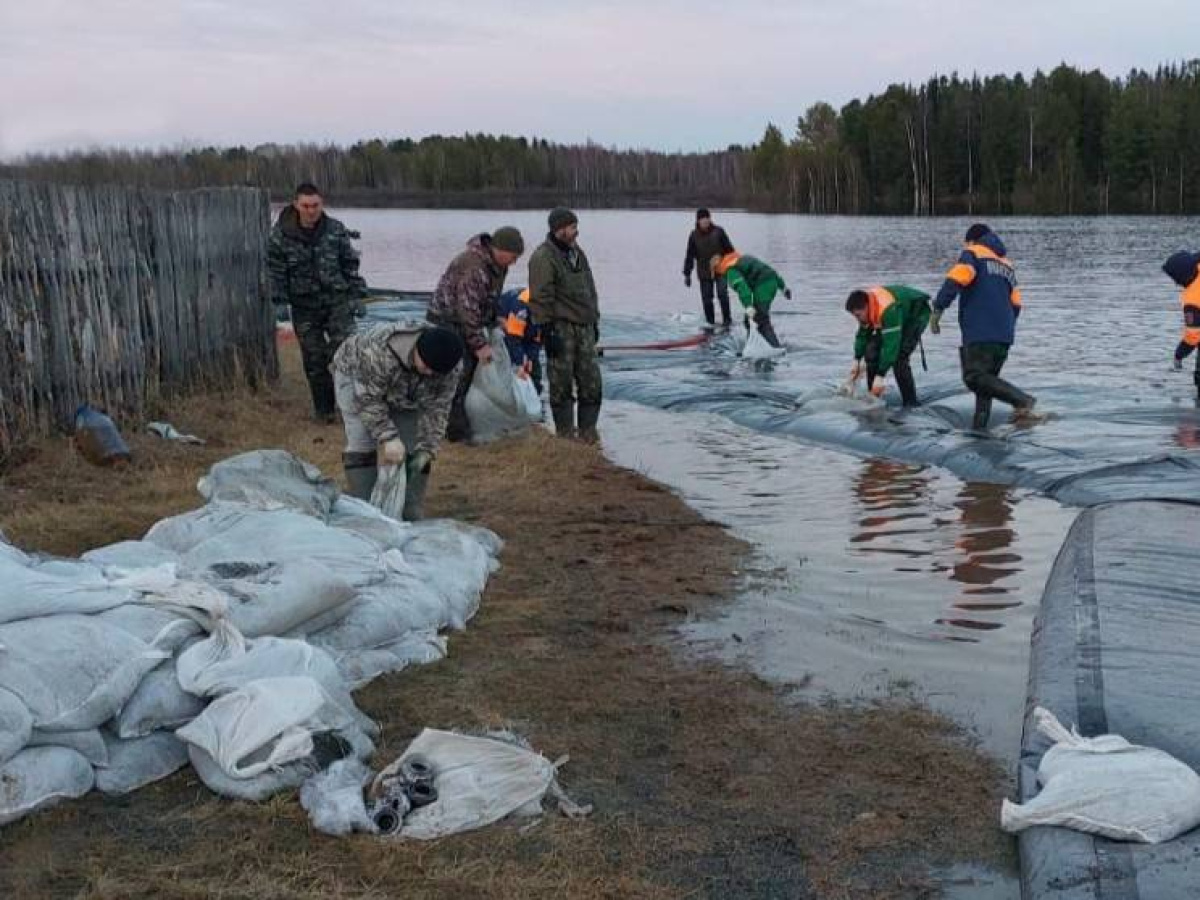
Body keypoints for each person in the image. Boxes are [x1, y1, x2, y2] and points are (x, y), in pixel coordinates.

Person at [331, 322, 464, 521]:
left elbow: (438, 407)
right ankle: (365, 509)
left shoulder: (449, 367)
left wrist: (428, 447)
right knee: (362, 440)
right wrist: (387, 437)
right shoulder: (378, 352)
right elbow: (368, 400)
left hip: (406, 386)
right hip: (354, 374)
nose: (429, 373)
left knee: (412, 446)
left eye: (435, 372)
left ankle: (410, 508)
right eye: (426, 367)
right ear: (417, 349)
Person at [267, 182, 367, 423]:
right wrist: (279, 300)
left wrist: (357, 294)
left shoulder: (335, 229)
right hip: (304, 306)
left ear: (322, 204)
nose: (311, 211)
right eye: (306, 206)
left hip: (337, 301)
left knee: (346, 354)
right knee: (314, 359)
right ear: (296, 204)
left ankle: (350, 409)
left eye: (316, 205)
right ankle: (324, 412)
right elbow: (276, 270)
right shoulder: (280, 235)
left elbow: (349, 264)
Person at [931, 223, 1037, 430]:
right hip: (1003, 335)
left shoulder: (973, 254)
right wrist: (1005, 327)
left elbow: (956, 279)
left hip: (980, 332)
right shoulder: (1006, 264)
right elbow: (1016, 304)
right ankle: (979, 431)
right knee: (985, 388)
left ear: (972, 240)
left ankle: (1022, 400)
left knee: (973, 377)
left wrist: (938, 308)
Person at [426, 227, 525, 442]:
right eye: (513, 257)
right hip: (447, 320)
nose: (514, 262)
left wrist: (494, 319)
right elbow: (467, 309)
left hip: (466, 320)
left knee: (469, 374)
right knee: (458, 375)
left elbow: (487, 298)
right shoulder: (474, 266)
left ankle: (460, 426)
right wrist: (479, 345)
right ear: (501, 250)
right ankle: (454, 433)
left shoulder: (498, 266)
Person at [528, 208, 602, 442]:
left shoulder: (577, 253)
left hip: (585, 326)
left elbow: (590, 286)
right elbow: (540, 296)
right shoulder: (543, 257)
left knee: (591, 383)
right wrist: (546, 330)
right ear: (559, 229)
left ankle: (588, 434)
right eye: (571, 227)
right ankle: (565, 438)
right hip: (560, 327)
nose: (576, 231)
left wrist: (595, 319)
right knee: (560, 384)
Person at [844, 285, 931, 406]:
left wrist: (881, 375)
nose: (857, 319)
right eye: (855, 316)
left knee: (899, 358)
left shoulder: (888, 310)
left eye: (858, 315)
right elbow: (863, 334)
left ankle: (911, 402)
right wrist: (857, 359)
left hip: (915, 315)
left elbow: (891, 345)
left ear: (866, 307)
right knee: (871, 351)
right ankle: (873, 396)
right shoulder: (868, 309)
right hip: (896, 315)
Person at [710, 252, 791, 348]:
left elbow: (742, 288)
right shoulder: (739, 259)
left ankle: (775, 348)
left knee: (760, 319)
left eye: (717, 274)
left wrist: (748, 306)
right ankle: (754, 344)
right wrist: (783, 288)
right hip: (773, 282)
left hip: (763, 287)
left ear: (717, 268)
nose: (720, 277)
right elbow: (769, 270)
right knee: (750, 320)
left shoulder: (730, 270)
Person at [682, 208, 736, 327]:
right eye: (702, 219)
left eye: (707, 218)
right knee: (707, 298)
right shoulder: (693, 236)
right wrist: (687, 274)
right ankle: (710, 323)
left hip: (720, 269)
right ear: (698, 221)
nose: (705, 221)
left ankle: (727, 321)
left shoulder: (719, 232)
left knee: (722, 293)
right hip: (704, 270)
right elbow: (689, 255)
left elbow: (730, 251)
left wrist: (732, 267)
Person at [1164, 250, 1200, 400]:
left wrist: (1179, 355)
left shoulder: (1192, 298)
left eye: (1175, 279)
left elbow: (1193, 337)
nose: (1176, 283)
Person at [498, 287, 544, 394]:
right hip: (506, 322)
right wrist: (519, 364)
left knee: (533, 369)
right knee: (512, 360)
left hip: (527, 328)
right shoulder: (521, 305)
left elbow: (538, 338)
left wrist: (531, 358)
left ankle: (535, 393)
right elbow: (513, 337)